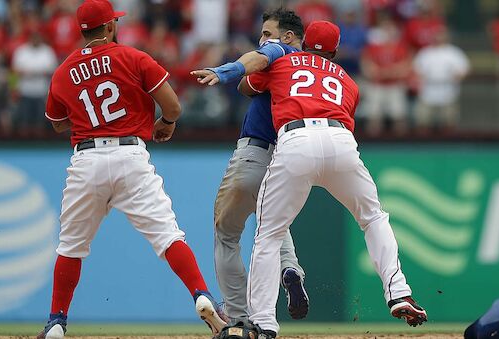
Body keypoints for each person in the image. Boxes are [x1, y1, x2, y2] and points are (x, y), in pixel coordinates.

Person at [37, 1, 226, 338]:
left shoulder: (64, 69)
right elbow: (173, 106)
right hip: (130, 156)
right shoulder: (133, 57)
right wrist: (165, 123)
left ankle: (56, 322)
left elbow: (57, 124)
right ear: (109, 27)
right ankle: (201, 294)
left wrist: (86, 115)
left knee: (71, 247)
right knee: (168, 236)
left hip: (87, 160)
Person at [236, 21, 428, 337]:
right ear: (336, 51)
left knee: (270, 233)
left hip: (295, 139)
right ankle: (397, 291)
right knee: (373, 218)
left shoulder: (283, 62)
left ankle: (264, 323)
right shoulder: (348, 81)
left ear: (303, 41)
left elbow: (247, 86)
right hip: (340, 141)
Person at [190, 8, 310, 322]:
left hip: (254, 154)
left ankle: (238, 315)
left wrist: (225, 71)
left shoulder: (280, 53)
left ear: (287, 37)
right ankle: (290, 269)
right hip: (290, 157)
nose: (263, 40)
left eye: (267, 34)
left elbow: (252, 71)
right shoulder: (314, 72)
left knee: (226, 235)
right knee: (273, 226)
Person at [413, 28, 469, 133]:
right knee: (423, 121)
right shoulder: (425, 52)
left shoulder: (454, 52)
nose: (439, 38)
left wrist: (456, 76)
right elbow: (416, 70)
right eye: (437, 35)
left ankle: (450, 146)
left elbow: (464, 70)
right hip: (427, 92)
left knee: (449, 122)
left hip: (448, 92)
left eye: (442, 35)